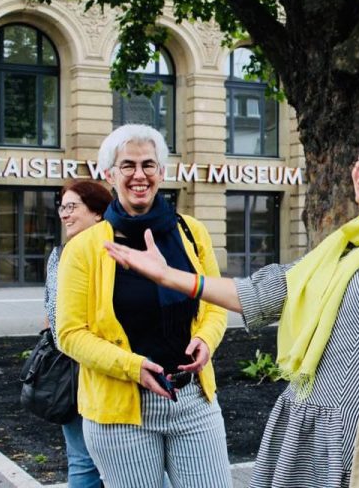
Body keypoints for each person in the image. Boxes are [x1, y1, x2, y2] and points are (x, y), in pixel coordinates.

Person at [104, 127, 359, 487]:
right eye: (357, 159)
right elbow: (259, 294)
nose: (358, 166)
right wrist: (171, 277)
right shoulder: (343, 245)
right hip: (310, 422)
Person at [56, 124, 232, 488]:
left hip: (192, 399)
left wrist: (206, 340)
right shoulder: (84, 248)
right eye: (128, 165)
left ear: (162, 172)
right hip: (120, 411)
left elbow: (214, 304)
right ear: (109, 175)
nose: (140, 175)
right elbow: (70, 334)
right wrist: (132, 367)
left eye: (149, 165)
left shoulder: (192, 233)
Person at [45, 180, 112, 488]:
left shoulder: (114, 253)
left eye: (72, 207)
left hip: (112, 372)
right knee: (84, 461)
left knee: (129, 460)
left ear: (98, 213)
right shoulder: (60, 255)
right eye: (62, 207)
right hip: (75, 372)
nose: (64, 214)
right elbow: (51, 316)